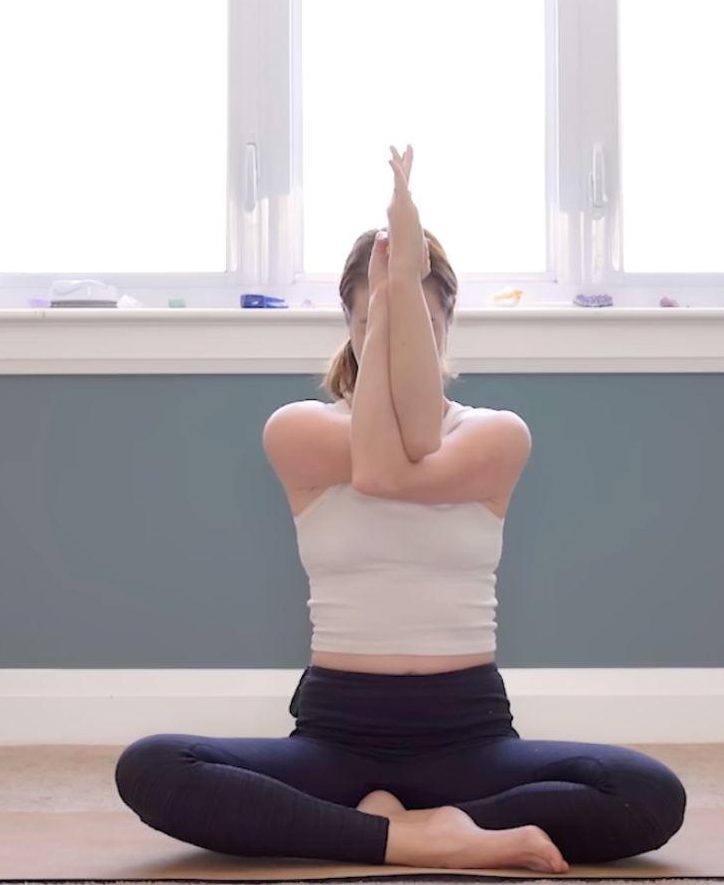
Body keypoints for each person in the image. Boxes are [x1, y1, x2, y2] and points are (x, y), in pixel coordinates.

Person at [115, 146, 686, 873]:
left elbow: (404, 451)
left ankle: (376, 829)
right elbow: (384, 461)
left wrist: (400, 290)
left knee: (647, 793)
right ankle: (428, 838)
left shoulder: (495, 435)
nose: (395, 339)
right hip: (337, 736)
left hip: (469, 737)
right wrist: (396, 293)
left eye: (423, 322)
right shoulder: (299, 430)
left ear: (449, 324)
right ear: (348, 325)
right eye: (371, 321)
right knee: (153, 768)